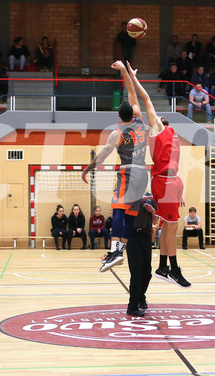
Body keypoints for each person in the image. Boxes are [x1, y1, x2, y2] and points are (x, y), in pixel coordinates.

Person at [126, 61, 190, 288]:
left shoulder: (171, 131)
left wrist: (179, 189)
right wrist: (131, 77)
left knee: (168, 225)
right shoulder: (157, 129)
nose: (159, 116)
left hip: (173, 182)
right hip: (164, 181)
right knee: (172, 227)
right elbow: (143, 99)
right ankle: (172, 269)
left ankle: (163, 266)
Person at [81, 60, 148, 272]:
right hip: (143, 175)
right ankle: (121, 250)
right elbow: (131, 91)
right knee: (129, 216)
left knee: (117, 212)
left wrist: (87, 169)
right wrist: (124, 71)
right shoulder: (140, 122)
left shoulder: (117, 133)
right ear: (134, 113)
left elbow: (101, 156)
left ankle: (114, 252)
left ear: (119, 116)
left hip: (127, 175)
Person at [126, 192, 157, 317]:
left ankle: (140, 296)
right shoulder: (128, 195)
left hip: (145, 235)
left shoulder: (150, 198)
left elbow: (155, 221)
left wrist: (152, 212)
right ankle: (132, 306)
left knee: (147, 272)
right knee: (136, 273)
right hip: (132, 236)